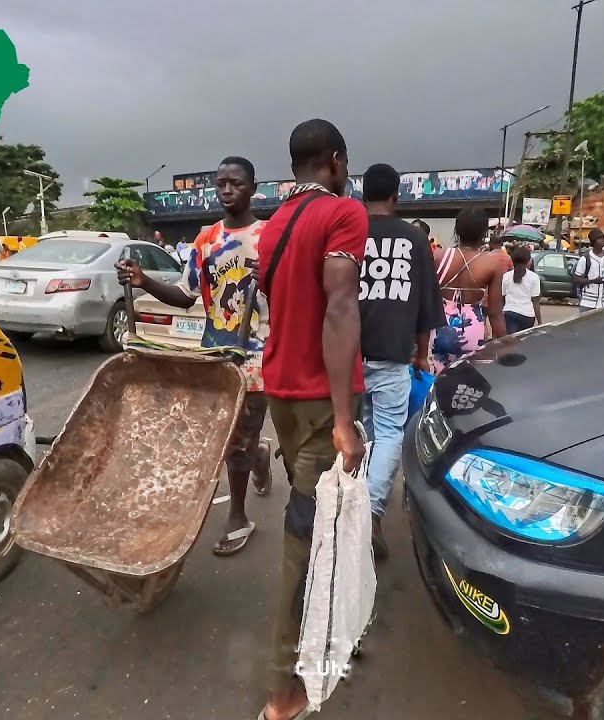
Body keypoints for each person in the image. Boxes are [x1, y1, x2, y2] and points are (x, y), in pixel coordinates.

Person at [256, 118, 367, 720]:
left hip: (282, 393)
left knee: (313, 524)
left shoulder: (274, 225)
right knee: (304, 539)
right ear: (336, 160)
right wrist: (344, 419)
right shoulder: (343, 214)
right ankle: (282, 693)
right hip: (324, 401)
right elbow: (340, 307)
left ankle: (321, 638)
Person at [115, 157, 272, 556]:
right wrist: (144, 280)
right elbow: (186, 296)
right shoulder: (206, 240)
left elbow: (292, 296)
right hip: (214, 354)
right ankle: (259, 456)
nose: (226, 190)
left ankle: (238, 516)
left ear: (253, 188)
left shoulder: (269, 237)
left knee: (239, 440)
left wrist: (271, 280)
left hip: (257, 358)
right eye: (221, 183)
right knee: (223, 438)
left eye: (236, 183)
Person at [357, 163, 444, 561]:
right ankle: (371, 512)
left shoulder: (349, 232)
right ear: (396, 196)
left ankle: (355, 503)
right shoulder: (414, 238)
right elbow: (427, 305)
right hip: (394, 353)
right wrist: (422, 355)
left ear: (362, 194)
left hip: (347, 354)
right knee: (390, 432)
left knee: (361, 430)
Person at [430, 208, 507, 372]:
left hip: (440, 328)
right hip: (472, 332)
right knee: (469, 381)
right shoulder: (491, 264)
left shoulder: (438, 256)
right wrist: (505, 345)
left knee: (439, 378)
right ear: (484, 232)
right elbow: (495, 312)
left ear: (457, 230)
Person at [573, 228, 604, 312]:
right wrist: (593, 281)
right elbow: (576, 279)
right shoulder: (585, 259)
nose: (603, 241)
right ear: (594, 242)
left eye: (603, 238)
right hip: (588, 303)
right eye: (600, 239)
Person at [502, 245, 542, 333]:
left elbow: (502, 298)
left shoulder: (506, 276)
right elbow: (535, 302)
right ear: (529, 261)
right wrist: (539, 322)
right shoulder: (534, 277)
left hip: (509, 313)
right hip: (527, 315)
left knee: (511, 339)